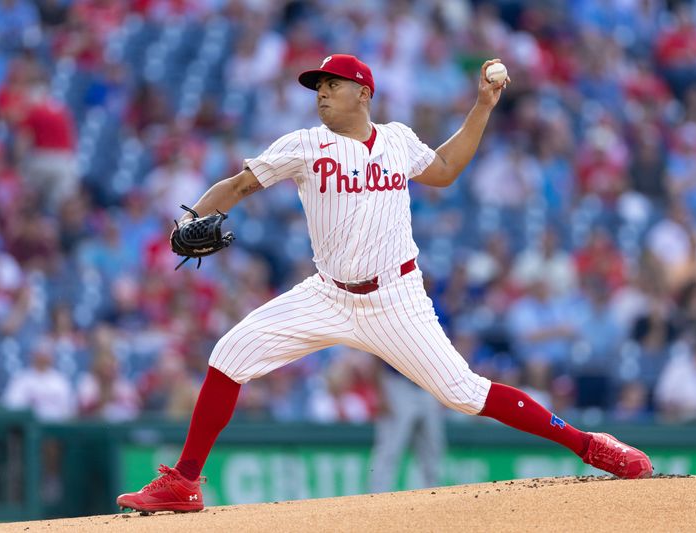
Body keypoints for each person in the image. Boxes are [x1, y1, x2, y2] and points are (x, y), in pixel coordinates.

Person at [117, 54, 652, 514]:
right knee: (229, 354)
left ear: (363, 92)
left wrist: (484, 106)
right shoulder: (305, 145)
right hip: (327, 294)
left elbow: (443, 169)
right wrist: (186, 222)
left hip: (396, 298)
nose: (321, 94)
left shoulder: (397, 140)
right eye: (317, 87)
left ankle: (589, 445)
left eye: (332, 85)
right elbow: (236, 185)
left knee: (465, 393)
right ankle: (184, 483)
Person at [369, 361, 445, 493]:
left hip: (427, 385)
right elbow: (375, 353)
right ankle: (377, 498)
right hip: (397, 383)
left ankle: (434, 499)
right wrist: (381, 393)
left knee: (433, 451)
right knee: (389, 449)